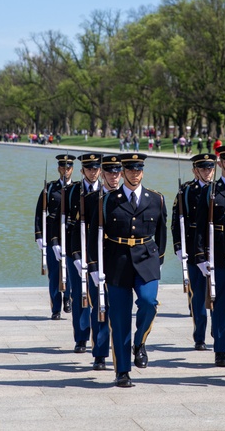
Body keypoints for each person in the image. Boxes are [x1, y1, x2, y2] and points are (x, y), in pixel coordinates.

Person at [86, 153, 166, 388]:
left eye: (138, 169)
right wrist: (93, 266)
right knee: (119, 319)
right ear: (123, 171)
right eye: (130, 170)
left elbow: (161, 233)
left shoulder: (156, 199)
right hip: (117, 262)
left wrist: (158, 259)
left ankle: (139, 342)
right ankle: (122, 371)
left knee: (149, 302)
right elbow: (94, 235)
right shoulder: (108, 200)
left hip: (146, 260)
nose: (135, 173)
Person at [194, 145, 225, 367]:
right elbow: (201, 226)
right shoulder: (210, 191)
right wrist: (201, 256)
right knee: (222, 301)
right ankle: (221, 349)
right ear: (221, 164)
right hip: (220, 253)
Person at [171, 152, 216, 352]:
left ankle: (219, 331)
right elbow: (176, 221)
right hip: (193, 247)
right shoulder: (186, 191)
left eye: (210, 168)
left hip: (216, 245)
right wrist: (178, 247)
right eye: (204, 168)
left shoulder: (219, 189)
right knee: (197, 294)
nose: (208, 172)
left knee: (218, 292)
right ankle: (199, 336)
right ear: (195, 170)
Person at [81, 155, 120, 372]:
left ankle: (123, 350)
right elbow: (83, 234)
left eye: (117, 172)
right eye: (110, 172)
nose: (114, 177)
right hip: (98, 261)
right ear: (103, 174)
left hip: (121, 262)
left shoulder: (125, 197)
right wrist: (89, 263)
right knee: (99, 308)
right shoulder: (90, 199)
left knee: (120, 311)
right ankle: (100, 354)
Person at [65, 153, 100, 352]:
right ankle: (80, 337)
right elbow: (68, 226)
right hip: (75, 250)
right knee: (78, 294)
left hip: (98, 252)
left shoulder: (106, 191)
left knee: (98, 295)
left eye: (96, 169)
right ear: (82, 171)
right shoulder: (71, 192)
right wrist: (74, 255)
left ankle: (99, 337)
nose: (93, 172)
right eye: (89, 169)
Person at [34, 154, 75, 320]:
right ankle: (56, 308)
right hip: (52, 237)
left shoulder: (77, 190)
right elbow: (39, 214)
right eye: (63, 167)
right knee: (54, 274)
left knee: (71, 271)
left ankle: (68, 298)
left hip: (71, 238)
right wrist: (39, 236)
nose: (66, 170)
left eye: (69, 167)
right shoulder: (49, 189)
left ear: (73, 169)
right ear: (59, 168)